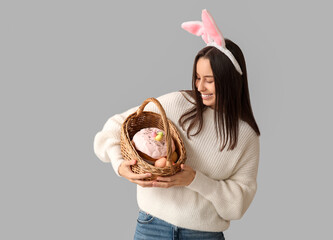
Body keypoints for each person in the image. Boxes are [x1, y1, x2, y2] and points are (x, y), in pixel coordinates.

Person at [94, 9, 260, 240]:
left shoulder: (246, 136)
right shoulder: (176, 104)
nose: (200, 87)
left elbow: (238, 204)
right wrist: (120, 165)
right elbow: (112, 129)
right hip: (152, 227)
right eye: (197, 78)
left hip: (204, 235)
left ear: (231, 80)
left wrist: (195, 180)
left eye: (210, 80)